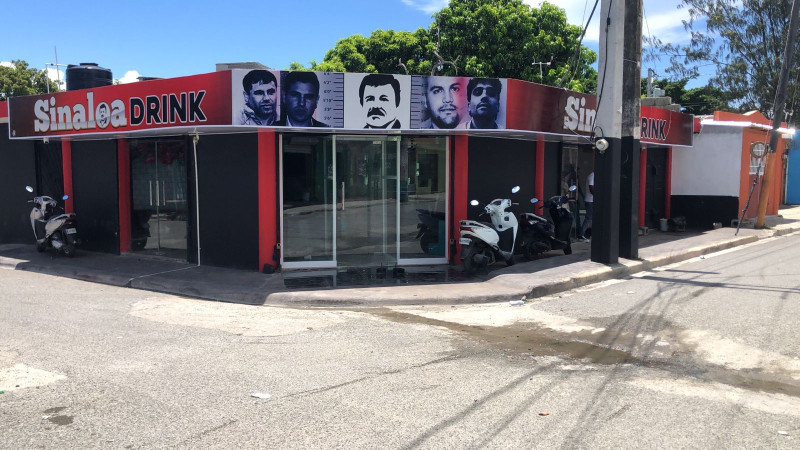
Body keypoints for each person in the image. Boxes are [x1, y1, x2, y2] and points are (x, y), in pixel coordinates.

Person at [581, 171, 594, 239]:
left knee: (591, 217)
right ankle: (581, 234)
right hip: (590, 201)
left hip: (592, 200)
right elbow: (591, 188)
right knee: (588, 218)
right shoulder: (592, 176)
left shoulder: (594, 176)